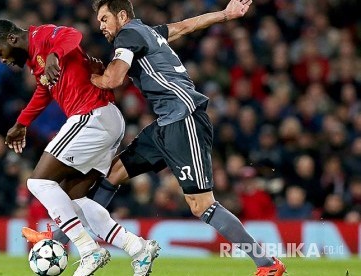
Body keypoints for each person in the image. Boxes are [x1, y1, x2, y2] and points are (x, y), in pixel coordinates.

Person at [88, 0, 286, 275]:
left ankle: (268, 265)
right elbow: (185, 26)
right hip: (165, 124)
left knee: (201, 205)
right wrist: (226, 14)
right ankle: (67, 243)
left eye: (104, 18)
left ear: (122, 15)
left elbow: (113, 79)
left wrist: (84, 75)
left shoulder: (128, 34)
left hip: (185, 118)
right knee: (112, 174)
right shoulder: (150, 32)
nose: (101, 26)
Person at [0, 19, 160, 276]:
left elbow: (73, 34)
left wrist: (55, 54)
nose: (2, 60)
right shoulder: (36, 61)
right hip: (104, 120)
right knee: (75, 199)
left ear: (11, 40)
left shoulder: (42, 36)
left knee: (38, 182)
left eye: (0, 53)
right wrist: (22, 122)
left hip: (91, 115)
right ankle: (137, 248)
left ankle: (88, 250)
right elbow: (44, 91)